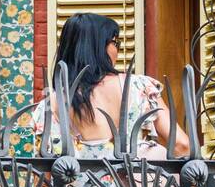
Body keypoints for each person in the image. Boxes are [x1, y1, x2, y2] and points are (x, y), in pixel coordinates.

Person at [34, 13, 190, 160]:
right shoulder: (140, 88)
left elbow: (45, 178)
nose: (117, 50)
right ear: (99, 47)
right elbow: (182, 145)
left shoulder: (50, 105)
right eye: (115, 42)